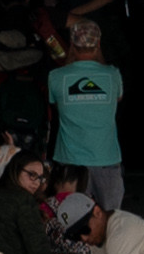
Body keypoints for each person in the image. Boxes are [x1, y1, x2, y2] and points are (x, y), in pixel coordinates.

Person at [47, 14, 131, 207]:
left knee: (70, 220)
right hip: (106, 159)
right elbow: (117, 100)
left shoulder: (56, 76)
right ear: (98, 43)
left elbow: (57, 106)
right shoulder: (113, 75)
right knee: (110, 220)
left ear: (71, 43)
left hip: (69, 162)